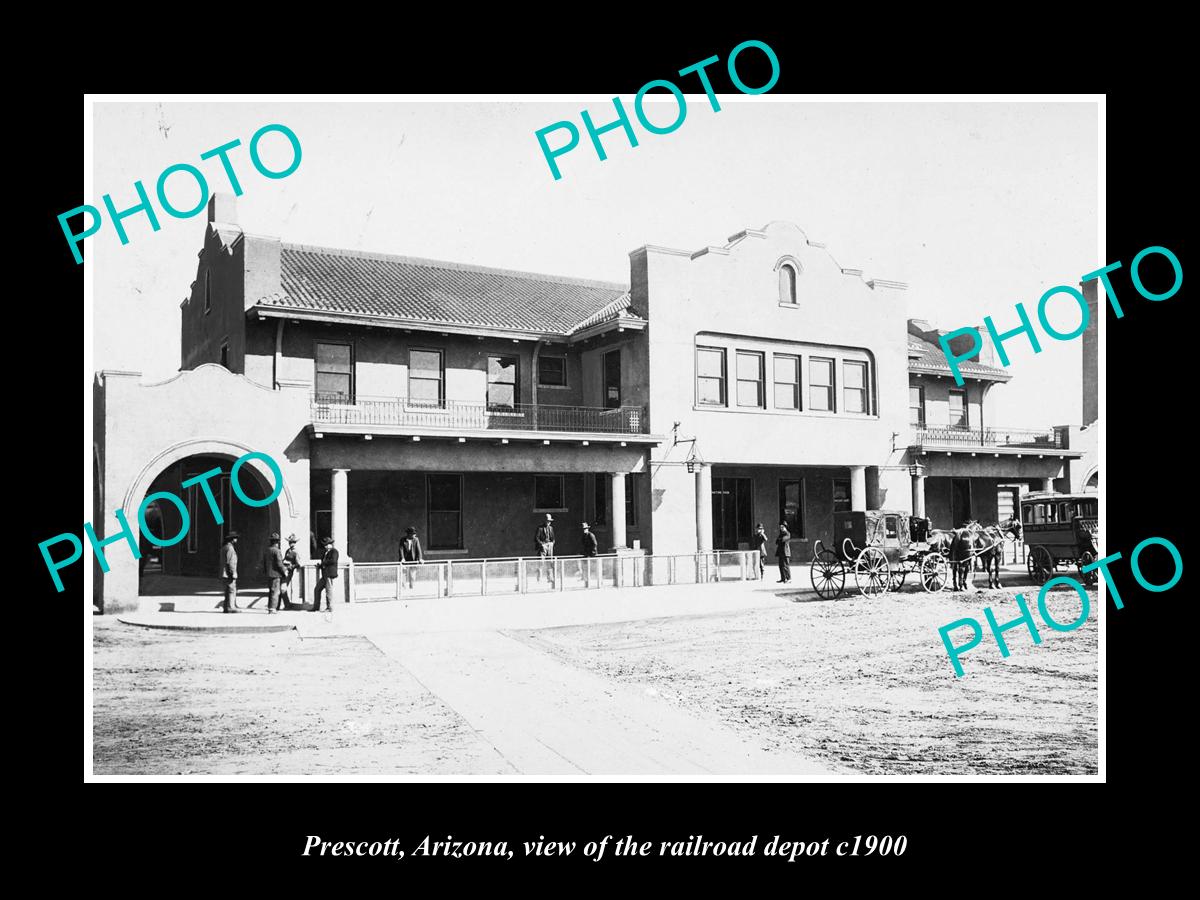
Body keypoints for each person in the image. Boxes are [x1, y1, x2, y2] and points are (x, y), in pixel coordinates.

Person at [312, 536, 339, 613]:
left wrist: (323, 563)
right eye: (325, 545)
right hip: (324, 574)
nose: (326, 546)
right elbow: (325, 562)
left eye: (327, 544)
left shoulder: (334, 551)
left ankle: (329, 608)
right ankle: (316, 607)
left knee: (328, 590)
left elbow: (333, 561)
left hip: (329, 574)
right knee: (317, 589)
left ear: (331, 544)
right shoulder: (325, 552)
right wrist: (320, 565)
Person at [398, 526, 424, 590]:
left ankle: (412, 587)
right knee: (403, 573)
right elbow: (400, 549)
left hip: (413, 559)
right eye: (413, 534)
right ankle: (403, 588)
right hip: (405, 559)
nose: (414, 535)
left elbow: (419, 550)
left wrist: (420, 558)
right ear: (409, 534)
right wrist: (402, 558)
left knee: (412, 574)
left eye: (415, 534)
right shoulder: (403, 540)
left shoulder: (416, 539)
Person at [534, 513, 556, 587]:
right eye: (547, 521)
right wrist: (542, 544)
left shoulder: (551, 528)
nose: (549, 522)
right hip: (542, 547)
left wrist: (552, 543)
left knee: (550, 562)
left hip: (549, 546)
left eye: (550, 521)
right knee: (541, 562)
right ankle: (539, 578)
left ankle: (549, 578)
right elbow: (536, 538)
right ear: (545, 521)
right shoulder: (540, 528)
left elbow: (553, 539)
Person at [220, 531, 239, 613]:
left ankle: (226, 607)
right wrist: (233, 572)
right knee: (231, 590)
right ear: (232, 539)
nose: (236, 539)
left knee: (227, 590)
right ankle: (231, 607)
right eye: (235, 538)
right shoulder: (230, 548)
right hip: (229, 573)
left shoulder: (224, 547)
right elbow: (230, 562)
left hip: (224, 573)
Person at [281, 534, 300, 608]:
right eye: (290, 542)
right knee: (281, 588)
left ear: (295, 543)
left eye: (293, 542)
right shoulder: (288, 550)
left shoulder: (296, 552)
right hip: (284, 570)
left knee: (283, 588)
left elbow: (298, 564)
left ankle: (287, 605)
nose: (291, 544)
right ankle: (286, 604)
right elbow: (284, 559)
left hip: (289, 572)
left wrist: (291, 567)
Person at [580, 521, 598, 586]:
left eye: (585, 529)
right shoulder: (584, 536)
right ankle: (586, 580)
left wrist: (592, 553)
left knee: (592, 568)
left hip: (591, 555)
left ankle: (595, 581)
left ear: (587, 528)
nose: (584, 530)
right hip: (586, 554)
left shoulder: (591, 535)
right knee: (585, 567)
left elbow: (595, 544)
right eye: (583, 529)